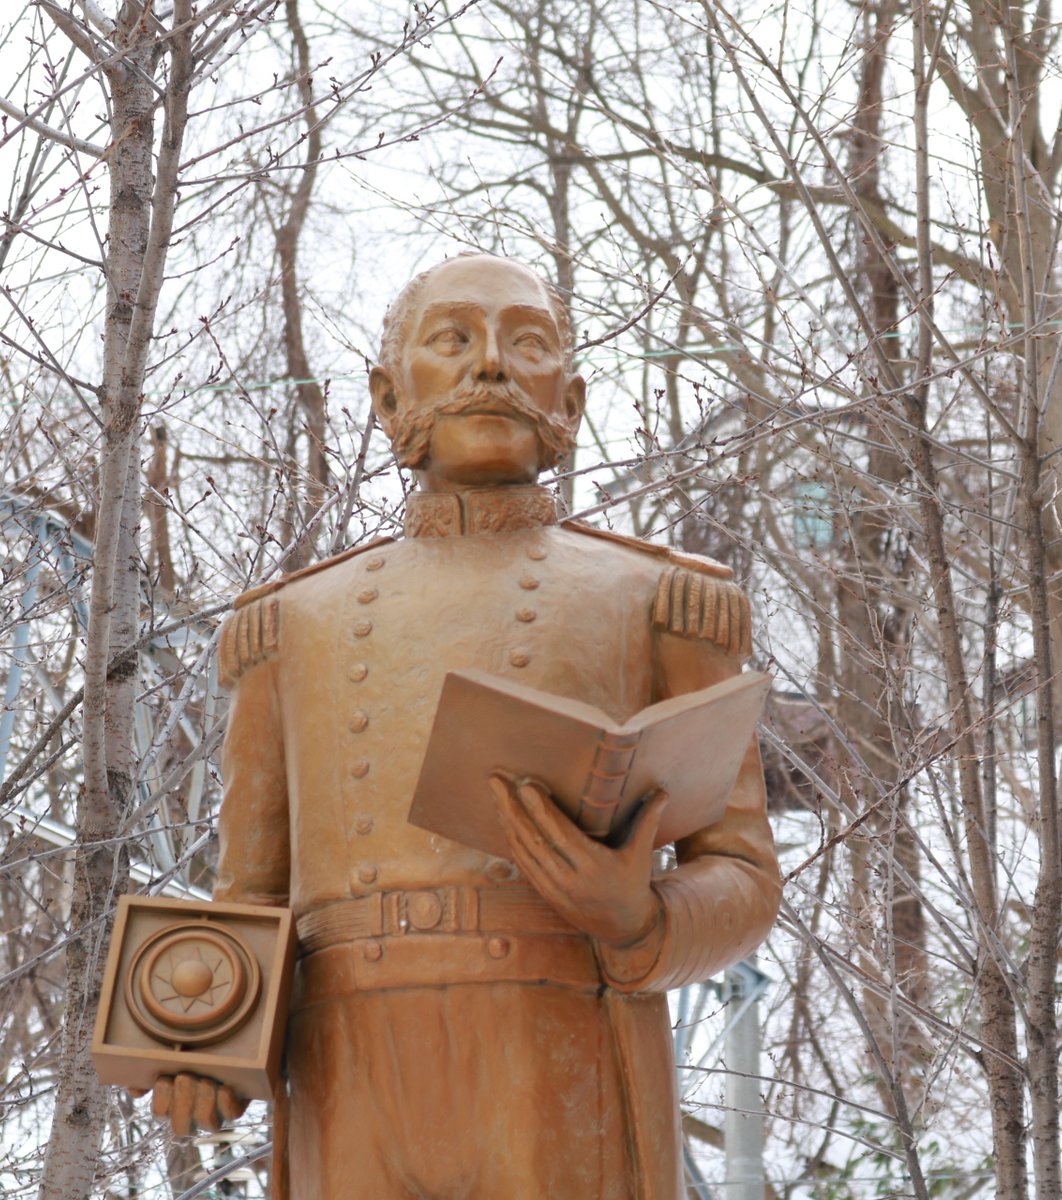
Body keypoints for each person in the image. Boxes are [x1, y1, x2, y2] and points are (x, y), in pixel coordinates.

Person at [151, 254, 780, 1199]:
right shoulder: (293, 623)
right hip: (345, 1068)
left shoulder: (662, 599)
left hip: (560, 1049)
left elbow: (742, 873)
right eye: (452, 339)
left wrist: (641, 916)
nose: (490, 365)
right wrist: (202, 1037)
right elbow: (251, 891)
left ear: (569, 397)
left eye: (525, 342)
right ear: (385, 390)